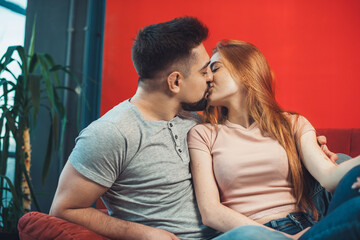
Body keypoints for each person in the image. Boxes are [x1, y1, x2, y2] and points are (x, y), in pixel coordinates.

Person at [50, 17, 334, 240]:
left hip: (237, 232)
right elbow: (63, 208)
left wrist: (312, 153)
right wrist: (144, 233)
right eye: (203, 71)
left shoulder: (195, 122)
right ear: (175, 82)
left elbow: (255, 144)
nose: (210, 77)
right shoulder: (111, 133)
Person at [187, 40, 360, 239]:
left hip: (305, 229)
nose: (207, 78)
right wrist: (282, 238)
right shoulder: (203, 134)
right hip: (250, 234)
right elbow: (211, 213)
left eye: (215, 68)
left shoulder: (292, 123)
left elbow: (329, 177)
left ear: (244, 71)